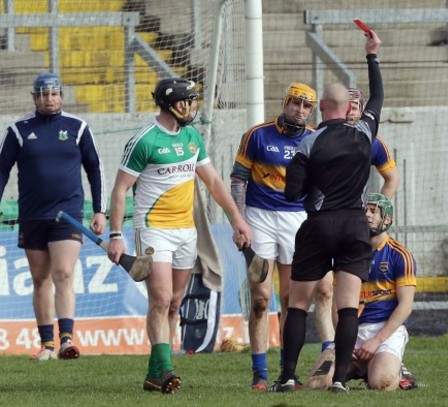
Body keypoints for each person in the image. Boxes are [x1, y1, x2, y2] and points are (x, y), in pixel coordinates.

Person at [107, 78, 252, 394]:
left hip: (187, 231)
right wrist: (116, 234)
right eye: (189, 101)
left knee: (173, 303)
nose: (193, 106)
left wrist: (237, 219)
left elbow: (213, 182)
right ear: (173, 104)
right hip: (153, 229)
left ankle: (153, 372)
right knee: (159, 298)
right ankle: (165, 371)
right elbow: (120, 190)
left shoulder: (192, 138)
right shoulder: (144, 141)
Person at [271, 28, 383, 394]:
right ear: (350, 109)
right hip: (354, 226)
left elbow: (292, 193)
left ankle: (288, 375)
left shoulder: (308, 141)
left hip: (318, 226)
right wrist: (371, 55)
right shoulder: (364, 133)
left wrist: (312, 195)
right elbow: (379, 97)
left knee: (298, 304)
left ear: (321, 109)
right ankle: (339, 381)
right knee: (348, 307)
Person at [230, 82, 335, 390]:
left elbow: (320, 188)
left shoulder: (315, 139)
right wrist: (239, 221)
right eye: (295, 103)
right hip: (259, 218)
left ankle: (286, 373)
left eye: (306, 106)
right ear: (285, 101)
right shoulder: (257, 135)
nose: (299, 110)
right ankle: (259, 374)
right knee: (261, 300)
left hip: (297, 220)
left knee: (292, 299)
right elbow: (238, 180)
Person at [0, 72, 106, 361]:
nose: (49, 99)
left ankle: (67, 340)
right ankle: (46, 345)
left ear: (61, 95)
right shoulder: (18, 130)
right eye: (43, 94)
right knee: (39, 279)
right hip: (33, 215)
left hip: (67, 213)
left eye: (54, 94)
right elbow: (2, 170)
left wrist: (99, 209)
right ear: (35, 98)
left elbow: (95, 168)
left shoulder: (78, 127)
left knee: (64, 273)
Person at [347, 193, 416, 391]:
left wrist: (376, 340)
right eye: (364, 210)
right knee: (319, 383)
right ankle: (365, 367)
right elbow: (336, 304)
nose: (366, 215)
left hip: (385, 332)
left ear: (387, 219)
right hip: (352, 331)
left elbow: (406, 306)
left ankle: (397, 371)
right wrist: (345, 337)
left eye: (373, 211)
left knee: (381, 384)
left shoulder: (400, 255)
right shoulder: (347, 254)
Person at [346, 88, 398, 199]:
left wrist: (379, 209)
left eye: (354, 108)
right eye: (345, 108)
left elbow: (392, 179)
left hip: (356, 212)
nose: (349, 112)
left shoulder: (375, 144)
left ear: (361, 112)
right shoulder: (320, 136)